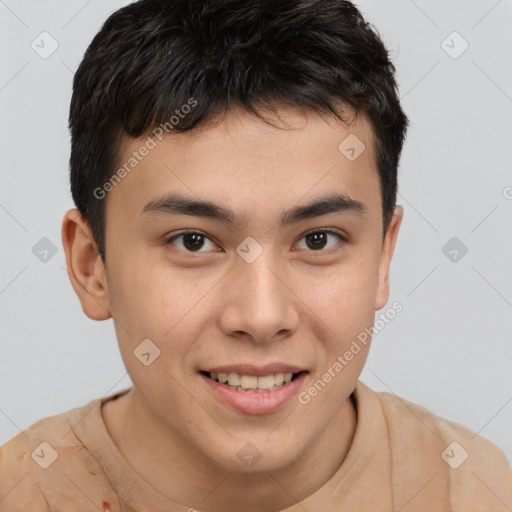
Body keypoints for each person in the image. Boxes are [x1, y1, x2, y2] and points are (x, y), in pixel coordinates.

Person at [1, 0, 511, 510]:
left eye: (318, 240)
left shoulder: (475, 490)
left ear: (382, 256)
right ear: (92, 267)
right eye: (193, 241)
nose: (262, 317)